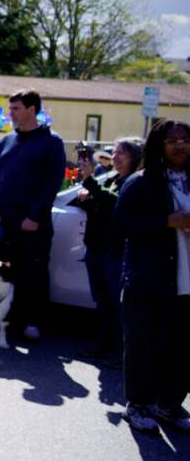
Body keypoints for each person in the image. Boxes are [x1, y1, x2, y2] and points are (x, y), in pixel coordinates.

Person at [114, 119, 190, 434]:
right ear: (158, 145)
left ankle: (169, 403)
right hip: (150, 279)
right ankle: (139, 404)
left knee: (183, 347)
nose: (180, 145)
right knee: (144, 346)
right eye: (172, 140)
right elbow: (120, 226)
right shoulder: (141, 182)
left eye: (185, 139)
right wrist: (166, 221)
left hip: (186, 282)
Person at [0, 89, 66, 341]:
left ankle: (33, 322)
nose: (10, 114)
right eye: (10, 109)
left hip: (33, 224)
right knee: (5, 273)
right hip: (3, 222)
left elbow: (52, 184)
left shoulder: (51, 142)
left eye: (15, 108)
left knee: (34, 273)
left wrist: (34, 216)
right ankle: (7, 320)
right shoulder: (6, 141)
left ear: (32, 110)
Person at [75, 137, 143, 368]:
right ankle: (102, 345)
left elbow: (117, 203)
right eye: (114, 152)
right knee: (102, 302)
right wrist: (87, 199)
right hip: (96, 248)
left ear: (134, 157)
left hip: (115, 251)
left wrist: (91, 183)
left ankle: (122, 353)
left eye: (120, 153)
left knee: (119, 305)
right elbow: (102, 206)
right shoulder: (114, 179)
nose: (114, 157)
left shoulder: (134, 182)